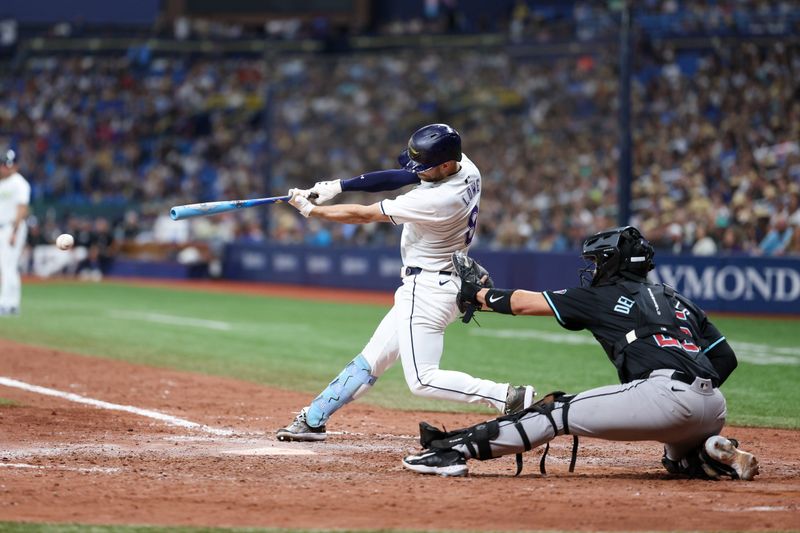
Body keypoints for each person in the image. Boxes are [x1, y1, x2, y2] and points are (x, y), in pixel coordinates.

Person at [402, 226, 759, 481]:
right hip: (713, 406)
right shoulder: (677, 299)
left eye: (598, 261)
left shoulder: (602, 295)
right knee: (678, 462)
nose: (593, 268)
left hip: (665, 398)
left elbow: (526, 304)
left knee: (554, 411)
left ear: (613, 263)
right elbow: (726, 359)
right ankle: (708, 449)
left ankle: (453, 452)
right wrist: (695, 394)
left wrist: (478, 295)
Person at [276, 123, 535, 441]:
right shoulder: (465, 166)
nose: (417, 172)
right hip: (437, 282)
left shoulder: (441, 200)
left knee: (422, 380)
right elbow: (402, 176)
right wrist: (338, 185)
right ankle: (313, 419)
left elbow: (364, 215)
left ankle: (507, 396)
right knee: (373, 359)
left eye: (424, 167)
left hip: (427, 291)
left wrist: (312, 210)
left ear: (444, 165)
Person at [0, 149, 31, 316]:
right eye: (4, 164)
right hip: (2, 228)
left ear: (16, 166)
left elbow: (22, 209)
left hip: (13, 228)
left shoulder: (20, 183)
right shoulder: (2, 183)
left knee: (8, 266)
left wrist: (14, 231)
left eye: (9, 165)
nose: (5, 168)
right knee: (7, 266)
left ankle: (6, 303)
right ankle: (11, 304)